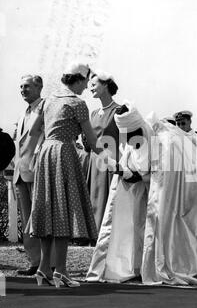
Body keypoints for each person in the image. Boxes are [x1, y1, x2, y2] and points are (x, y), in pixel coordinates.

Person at [87, 102, 197, 285]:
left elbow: (157, 182)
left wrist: (132, 173)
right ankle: (139, 264)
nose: (131, 141)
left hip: (185, 195)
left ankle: (178, 265)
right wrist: (124, 171)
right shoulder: (136, 139)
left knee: (172, 227)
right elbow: (139, 168)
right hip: (158, 191)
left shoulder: (166, 142)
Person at [29, 62, 102, 288]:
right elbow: (92, 141)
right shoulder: (78, 104)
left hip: (46, 152)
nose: (85, 88)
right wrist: (114, 159)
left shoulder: (48, 100)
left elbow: (33, 131)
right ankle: (60, 271)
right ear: (78, 80)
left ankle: (43, 269)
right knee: (63, 211)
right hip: (64, 154)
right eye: (85, 83)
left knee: (46, 208)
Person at [13, 75, 45, 276]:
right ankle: (35, 261)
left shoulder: (45, 108)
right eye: (21, 86)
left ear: (38, 87)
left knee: (39, 218)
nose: (23, 90)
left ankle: (46, 262)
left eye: (27, 86)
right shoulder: (24, 113)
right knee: (27, 221)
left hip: (36, 170)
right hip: (20, 172)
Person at [86, 70, 120, 231]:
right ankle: (93, 234)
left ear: (105, 85)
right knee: (94, 199)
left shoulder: (119, 110)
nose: (90, 88)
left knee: (110, 201)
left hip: (112, 162)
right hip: (93, 163)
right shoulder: (92, 114)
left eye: (94, 84)